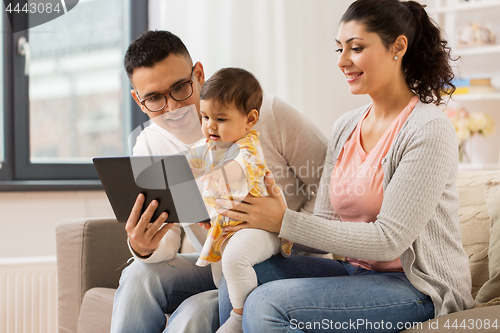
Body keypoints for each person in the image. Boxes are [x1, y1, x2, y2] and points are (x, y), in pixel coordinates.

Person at [216, 1, 476, 332]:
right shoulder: (346, 127)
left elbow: (388, 241)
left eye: (355, 48)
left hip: (418, 289)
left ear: (398, 47)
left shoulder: (428, 128)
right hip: (357, 274)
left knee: (268, 303)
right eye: (339, 49)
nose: (342, 61)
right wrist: (259, 220)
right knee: (237, 275)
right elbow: (323, 229)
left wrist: (285, 220)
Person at [110, 30, 330, 333]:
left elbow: (334, 187)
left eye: (180, 88)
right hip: (216, 259)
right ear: (139, 101)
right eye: (155, 99)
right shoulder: (150, 146)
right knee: (138, 274)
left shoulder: (267, 114)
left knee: (193, 312)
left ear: (198, 75)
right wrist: (144, 245)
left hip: (282, 258)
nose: (173, 108)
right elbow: (170, 240)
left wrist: (283, 223)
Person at [187, 67, 293, 333]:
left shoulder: (248, 147)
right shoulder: (210, 146)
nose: (210, 125)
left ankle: (239, 316)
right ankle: (234, 302)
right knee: (220, 269)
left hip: (262, 229)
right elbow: (187, 163)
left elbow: (237, 170)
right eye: (205, 116)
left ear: (250, 119)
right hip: (231, 228)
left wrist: (206, 183)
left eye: (220, 119)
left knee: (234, 259)